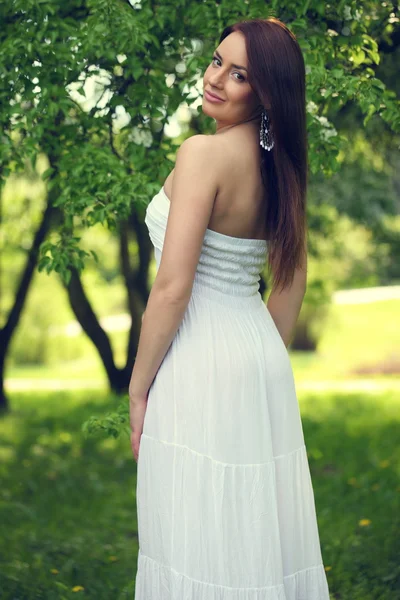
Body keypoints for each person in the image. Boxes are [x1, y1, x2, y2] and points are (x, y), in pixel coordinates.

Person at [129, 16, 330, 600]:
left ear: (265, 93)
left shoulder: (202, 154)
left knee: (195, 532)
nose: (215, 78)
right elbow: (291, 280)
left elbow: (172, 287)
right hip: (258, 353)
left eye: (239, 74)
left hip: (199, 356)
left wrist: (140, 389)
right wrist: (259, 359)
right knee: (253, 528)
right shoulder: (281, 168)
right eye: (217, 60)